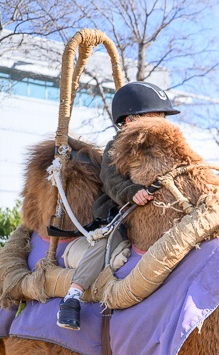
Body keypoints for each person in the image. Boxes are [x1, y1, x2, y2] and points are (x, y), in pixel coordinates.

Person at [57, 81, 179, 330]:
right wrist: (131, 193)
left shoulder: (167, 147)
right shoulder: (116, 147)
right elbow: (111, 181)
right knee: (107, 245)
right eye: (155, 116)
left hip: (161, 209)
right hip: (120, 211)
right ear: (131, 119)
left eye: (162, 116)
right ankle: (72, 297)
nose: (163, 121)